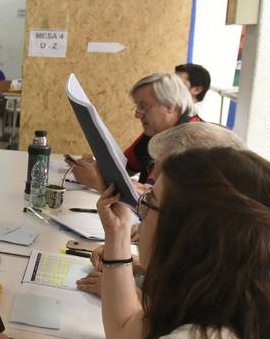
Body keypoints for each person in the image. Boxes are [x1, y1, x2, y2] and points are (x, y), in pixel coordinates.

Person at [0, 147, 270, 339]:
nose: (141, 214)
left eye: (150, 203)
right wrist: (117, 234)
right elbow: (123, 335)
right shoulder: (238, 302)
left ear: (187, 236)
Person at [76, 122, 245, 296]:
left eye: (160, 187)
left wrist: (119, 286)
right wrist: (137, 265)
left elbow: (165, 313)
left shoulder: (226, 255)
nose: (144, 208)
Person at [69, 72, 198, 191]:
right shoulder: (156, 134)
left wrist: (99, 183)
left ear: (170, 105)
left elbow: (154, 201)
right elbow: (122, 169)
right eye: (137, 107)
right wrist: (96, 168)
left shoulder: (192, 143)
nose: (137, 115)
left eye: (143, 107)